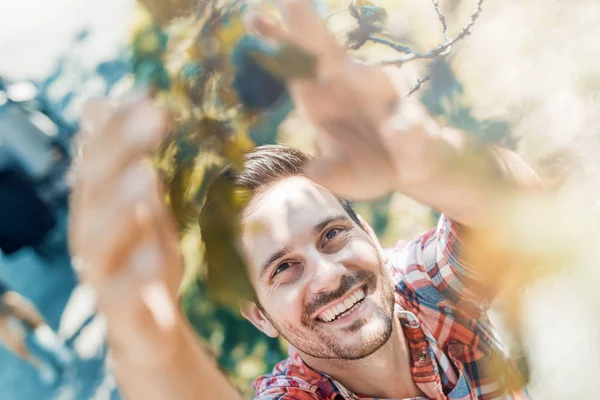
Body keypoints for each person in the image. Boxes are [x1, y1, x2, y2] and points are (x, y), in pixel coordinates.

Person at [68, 0, 542, 398]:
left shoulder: (421, 286)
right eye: (282, 269)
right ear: (258, 315)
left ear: (371, 235)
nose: (328, 274)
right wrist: (151, 345)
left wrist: (424, 159)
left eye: (333, 234)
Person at [0, 279, 77, 386]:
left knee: (34, 324)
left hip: (3, 296)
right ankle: (43, 365)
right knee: (16, 345)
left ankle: (59, 350)